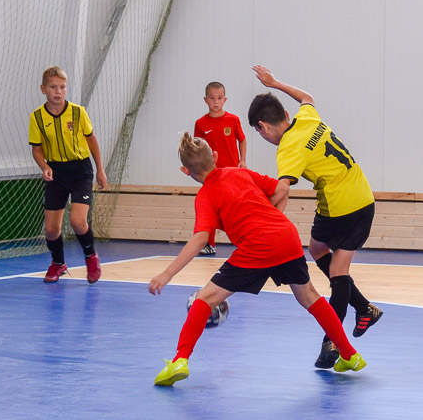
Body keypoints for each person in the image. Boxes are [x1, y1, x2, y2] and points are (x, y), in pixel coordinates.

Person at [149, 133, 365, 386]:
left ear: (185, 171)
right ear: (215, 157)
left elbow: (200, 239)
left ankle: (180, 361)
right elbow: (282, 188)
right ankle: (350, 355)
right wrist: (271, 219)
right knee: (309, 296)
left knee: (204, 299)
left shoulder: (205, 195)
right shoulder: (239, 173)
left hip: (257, 246)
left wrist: (167, 274)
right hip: (287, 236)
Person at [248, 65, 383, 369]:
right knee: (319, 249)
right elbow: (307, 97)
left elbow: (283, 187)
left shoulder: (288, 148)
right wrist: (275, 82)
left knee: (337, 272)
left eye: (260, 133)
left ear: (263, 127)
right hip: (362, 194)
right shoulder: (306, 118)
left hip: (340, 206)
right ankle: (364, 309)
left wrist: (262, 219)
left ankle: (332, 343)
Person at [28, 66, 107, 283]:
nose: (58, 91)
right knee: (51, 229)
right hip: (56, 172)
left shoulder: (77, 112)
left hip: (80, 170)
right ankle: (58, 263)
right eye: (53, 87)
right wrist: (44, 166)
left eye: (62, 87)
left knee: (77, 221)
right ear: (43, 89)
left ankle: (91, 257)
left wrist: (100, 169)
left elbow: (92, 140)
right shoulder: (37, 117)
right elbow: (36, 148)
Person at [193, 81, 247, 256]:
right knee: (210, 209)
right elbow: (197, 148)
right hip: (212, 175)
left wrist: (242, 160)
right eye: (212, 98)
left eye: (219, 98)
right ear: (205, 100)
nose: (216, 102)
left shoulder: (233, 120)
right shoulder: (200, 123)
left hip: (232, 174)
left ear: (225, 99)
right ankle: (210, 244)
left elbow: (242, 139)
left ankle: (246, 241)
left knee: (238, 209)